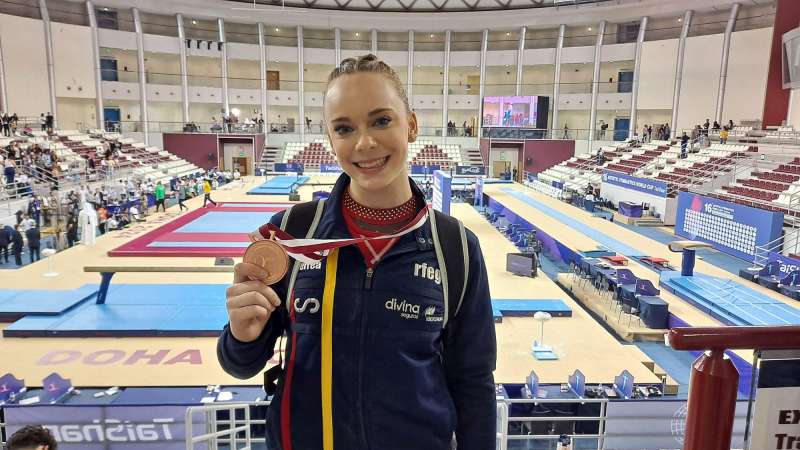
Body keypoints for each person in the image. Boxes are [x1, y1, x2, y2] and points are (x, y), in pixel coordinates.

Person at [217, 54, 496, 450]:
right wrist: (242, 335)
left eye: (381, 120)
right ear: (331, 140)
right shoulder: (293, 234)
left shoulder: (456, 248)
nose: (364, 143)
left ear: (411, 125)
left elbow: (474, 382)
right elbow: (240, 364)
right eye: (345, 128)